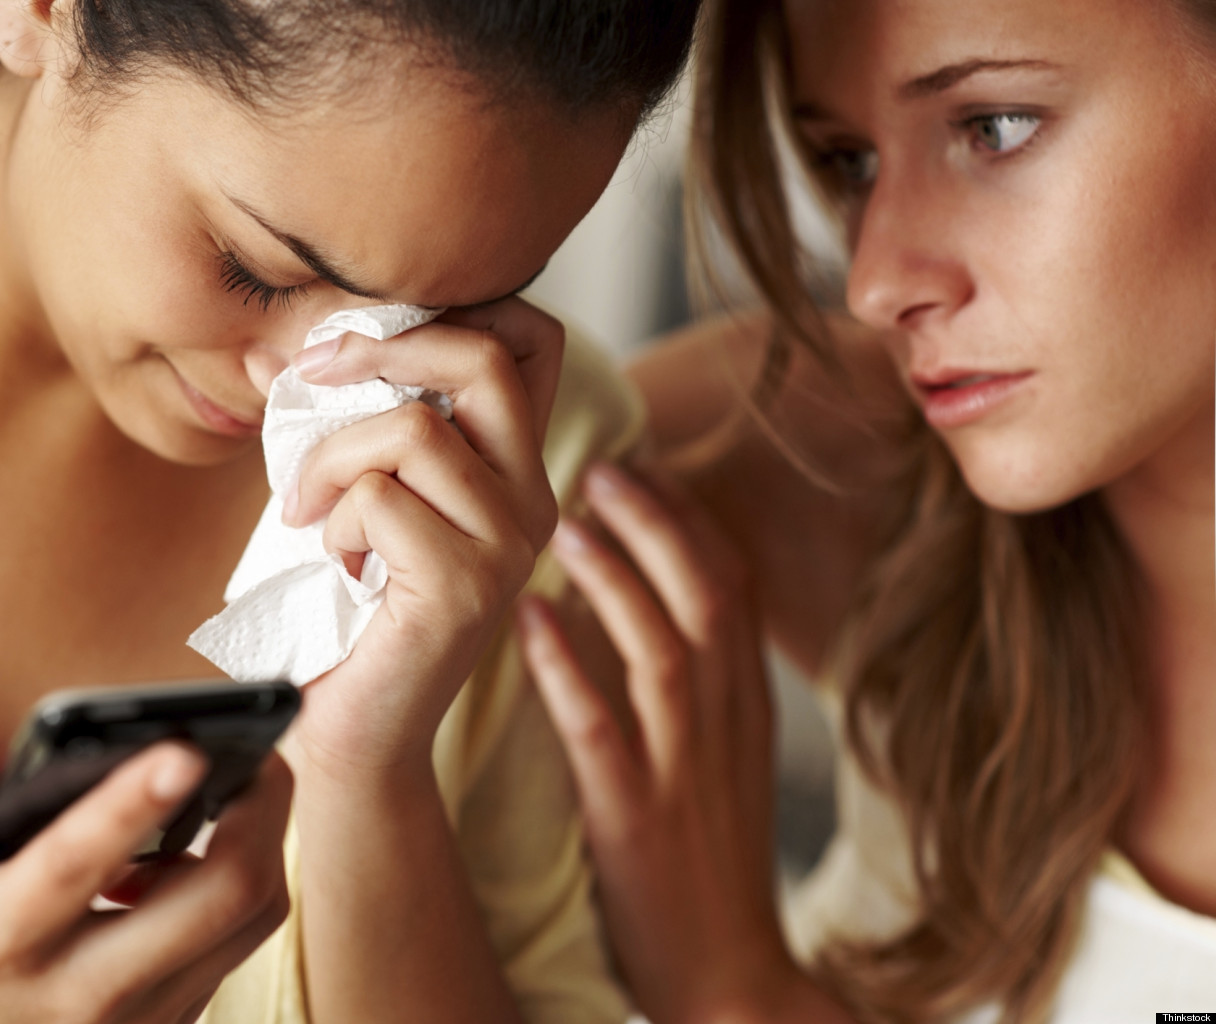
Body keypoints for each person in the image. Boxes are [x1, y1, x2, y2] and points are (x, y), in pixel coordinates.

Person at [0, 0, 700, 1021]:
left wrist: (366, 778)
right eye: (255, 269)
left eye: (433, 315)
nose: (297, 386)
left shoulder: (510, 478)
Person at [517, 0, 1216, 1021]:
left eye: (995, 126)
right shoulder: (855, 460)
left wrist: (733, 990)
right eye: (848, 162)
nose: (879, 278)